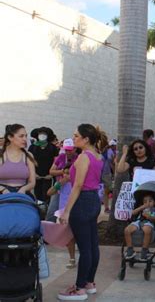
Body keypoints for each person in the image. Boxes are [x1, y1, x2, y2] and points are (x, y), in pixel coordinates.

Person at [58, 124, 107, 301]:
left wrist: (66, 211)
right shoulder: (98, 156)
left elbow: (77, 186)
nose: (74, 138)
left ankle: (79, 288)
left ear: (86, 139)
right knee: (92, 245)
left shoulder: (83, 158)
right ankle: (89, 283)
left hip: (83, 201)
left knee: (85, 248)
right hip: (94, 199)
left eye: (76, 135)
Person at [47, 165, 76, 269]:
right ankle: (72, 259)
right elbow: (49, 193)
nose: (66, 175)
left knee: (78, 236)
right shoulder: (61, 184)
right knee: (69, 237)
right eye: (65, 173)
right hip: (63, 213)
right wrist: (59, 184)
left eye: (69, 173)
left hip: (75, 212)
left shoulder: (77, 183)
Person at [46, 138, 79, 222]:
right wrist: (62, 172)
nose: (68, 152)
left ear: (75, 149)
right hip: (60, 185)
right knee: (51, 211)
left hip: (72, 188)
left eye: (70, 150)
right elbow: (51, 171)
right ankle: (48, 229)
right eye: (66, 150)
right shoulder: (61, 157)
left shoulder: (78, 158)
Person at [0, 124, 36, 196]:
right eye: (21, 136)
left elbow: (32, 182)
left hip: (23, 192)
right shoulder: (1, 155)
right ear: (10, 137)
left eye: (26, 136)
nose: (25, 139)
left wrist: (23, 189)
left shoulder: (28, 156)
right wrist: (3, 189)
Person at [124, 194, 155, 261]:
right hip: (138, 221)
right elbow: (133, 213)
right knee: (127, 230)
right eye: (145, 201)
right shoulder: (141, 207)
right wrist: (142, 207)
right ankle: (130, 249)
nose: (147, 203)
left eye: (150, 201)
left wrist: (149, 216)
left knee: (147, 230)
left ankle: (144, 251)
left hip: (149, 222)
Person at [29, 126, 59, 201]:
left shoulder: (52, 148)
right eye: (40, 133)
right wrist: (33, 173)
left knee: (47, 195)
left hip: (48, 176)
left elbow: (57, 162)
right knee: (37, 194)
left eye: (44, 133)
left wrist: (51, 174)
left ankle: (46, 208)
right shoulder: (32, 147)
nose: (42, 135)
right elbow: (29, 161)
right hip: (36, 176)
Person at [101, 139, 116, 213]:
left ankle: (106, 207)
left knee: (106, 191)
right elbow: (111, 164)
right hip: (106, 173)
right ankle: (107, 208)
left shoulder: (105, 151)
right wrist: (115, 173)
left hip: (103, 172)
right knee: (109, 191)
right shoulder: (110, 151)